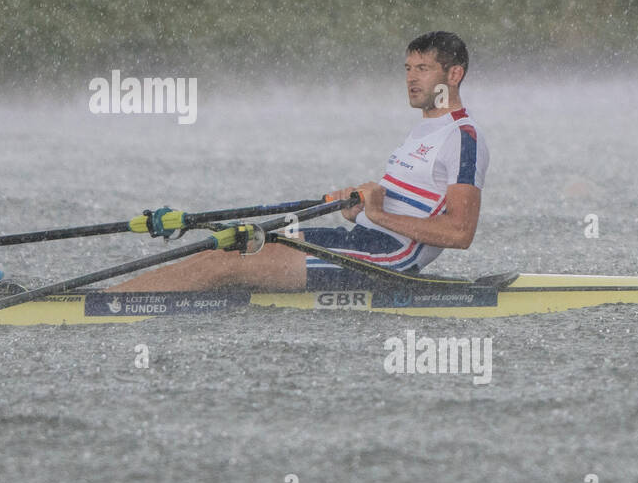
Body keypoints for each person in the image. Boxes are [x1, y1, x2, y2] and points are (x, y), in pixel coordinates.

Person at [109, 31, 488, 293]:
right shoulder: (424, 129)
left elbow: (459, 233)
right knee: (229, 249)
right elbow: (411, 199)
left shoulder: (462, 138)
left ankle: (104, 306)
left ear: (454, 75)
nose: (411, 79)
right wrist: (360, 203)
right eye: (408, 69)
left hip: (388, 258)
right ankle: (115, 295)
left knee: (225, 265)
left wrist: (381, 216)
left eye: (423, 69)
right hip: (365, 240)